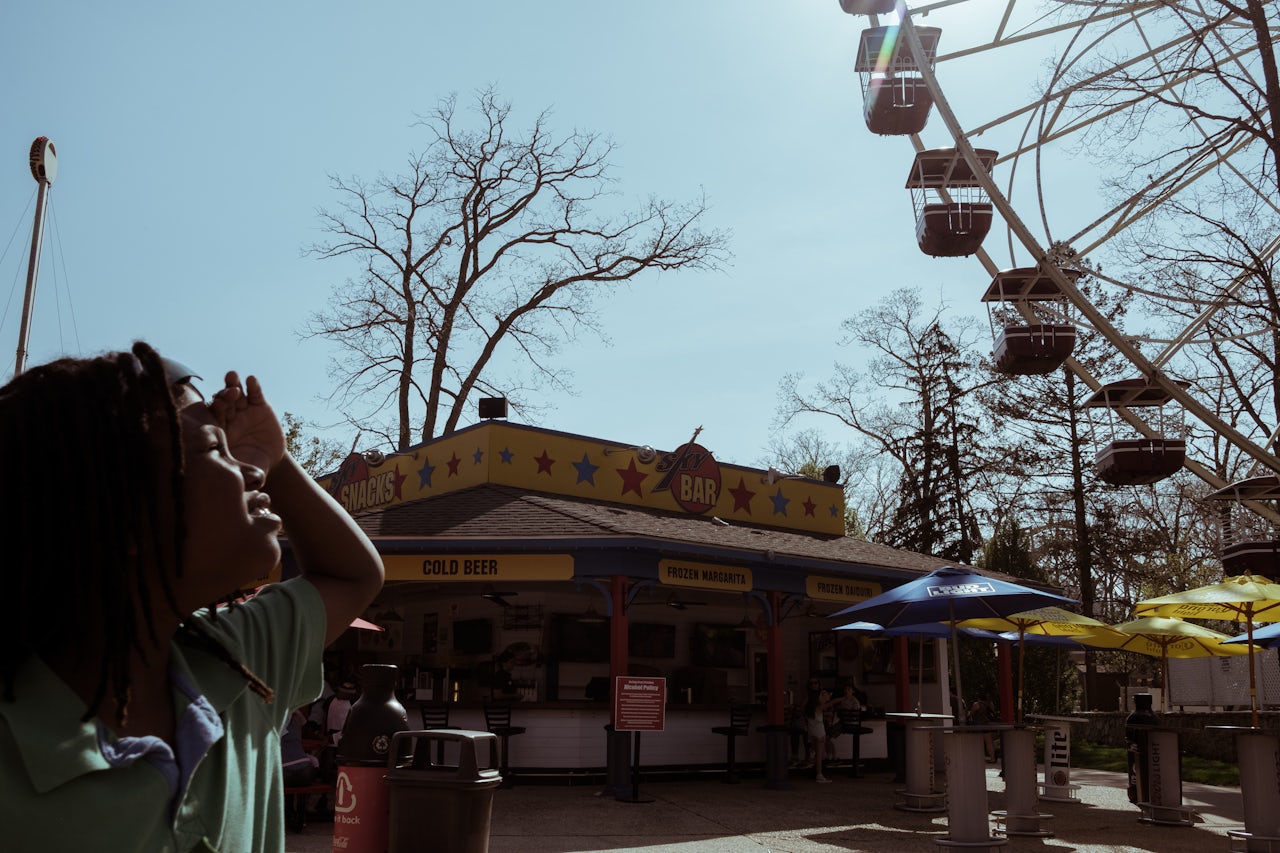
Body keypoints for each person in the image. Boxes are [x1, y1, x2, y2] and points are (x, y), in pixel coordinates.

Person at [0, 343, 384, 853]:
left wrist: (279, 459)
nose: (253, 469)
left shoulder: (235, 664)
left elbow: (354, 574)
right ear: (122, 513)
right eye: (213, 450)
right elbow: (350, 576)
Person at [805, 686, 839, 783]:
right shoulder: (819, 708)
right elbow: (832, 702)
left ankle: (816, 771)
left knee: (816, 755)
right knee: (820, 756)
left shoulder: (808, 709)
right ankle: (819, 775)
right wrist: (843, 698)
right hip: (820, 734)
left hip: (811, 733)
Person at [968, 695, 998, 762]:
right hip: (992, 725)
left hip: (984, 725)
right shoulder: (990, 703)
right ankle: (994, 756)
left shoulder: (977, 704)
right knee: (991, 742)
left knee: (988, 743)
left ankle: (992, 758)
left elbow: (971, 713)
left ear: (979, 698)